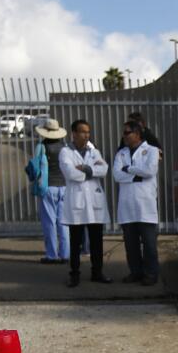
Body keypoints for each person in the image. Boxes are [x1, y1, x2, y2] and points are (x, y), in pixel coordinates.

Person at [59, 118, 113, 287]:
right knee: (76, 241)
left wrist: (86, 169)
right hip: (77, 201)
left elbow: (104, 169)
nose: (86, 135)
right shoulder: (65, 152)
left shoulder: (93, 151)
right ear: (74, 133)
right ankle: (74, 274)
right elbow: (70, 174)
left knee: (97, 240)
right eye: (83, 132)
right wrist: (92, 171)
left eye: (88, 132)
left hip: (94, 202)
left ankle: (97, 272)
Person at [112, 120, 161, 285]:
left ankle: (151, 274)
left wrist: (129, 169)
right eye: (124, 132)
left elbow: (150, 171)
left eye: (127, 132)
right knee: (131, 245)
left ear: (138, 134)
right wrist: (137, 176)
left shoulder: (152, 151)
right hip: (127, 204)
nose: (124, 136)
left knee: (149, 244)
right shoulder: (121, 154)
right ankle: (135, 272)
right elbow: (117, 175)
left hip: (145, 204)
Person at [32, 118, 69, 264]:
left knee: (49, 222)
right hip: (64, 186)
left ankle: (52, 255)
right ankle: (65, 254)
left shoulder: (42, 146)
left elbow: (35, 168)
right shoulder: (65, 147)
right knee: (63, 222)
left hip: (48, 187)